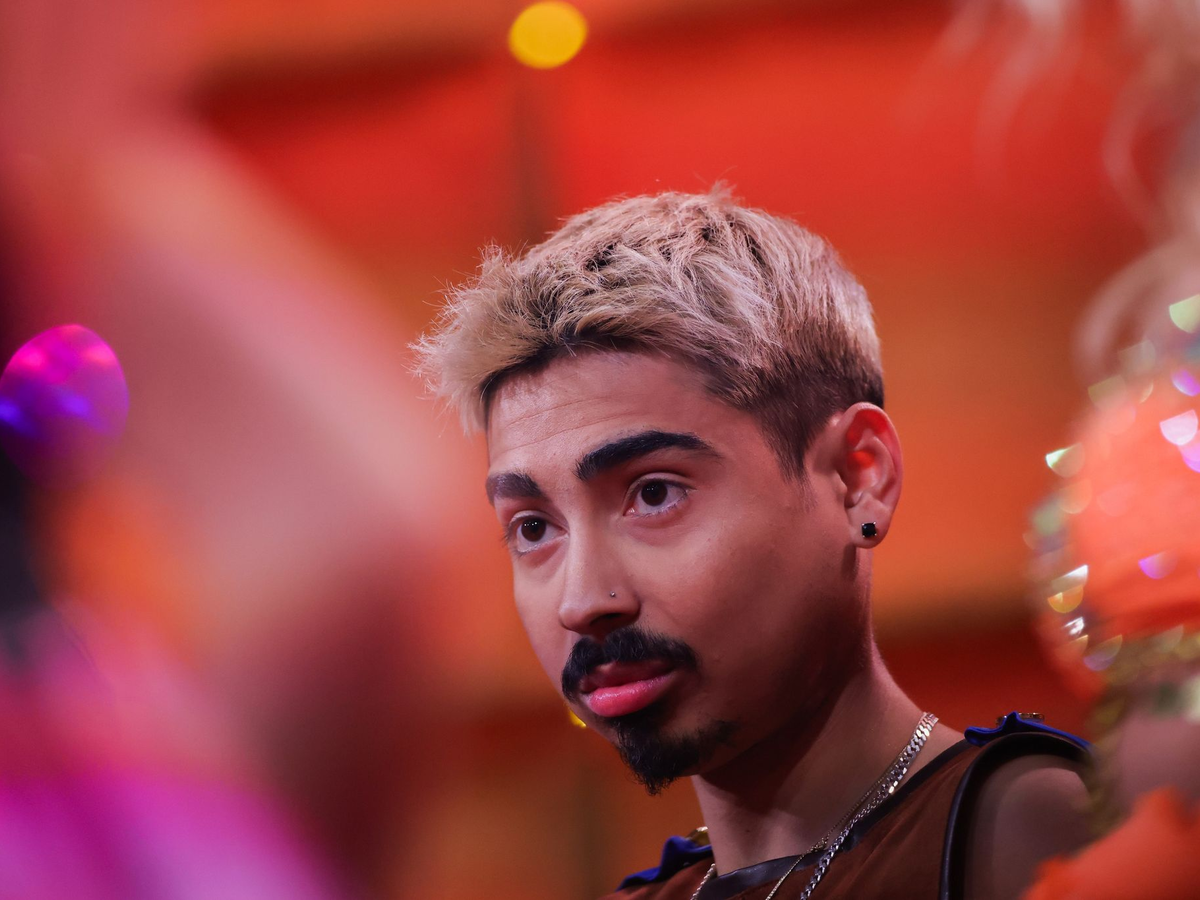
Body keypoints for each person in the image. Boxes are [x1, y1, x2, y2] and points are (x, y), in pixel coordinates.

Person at [416, 189, 1091, 899]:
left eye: (654, 494)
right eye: (533, 527)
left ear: (857, 477)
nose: (582, 601)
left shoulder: (1030, 834)